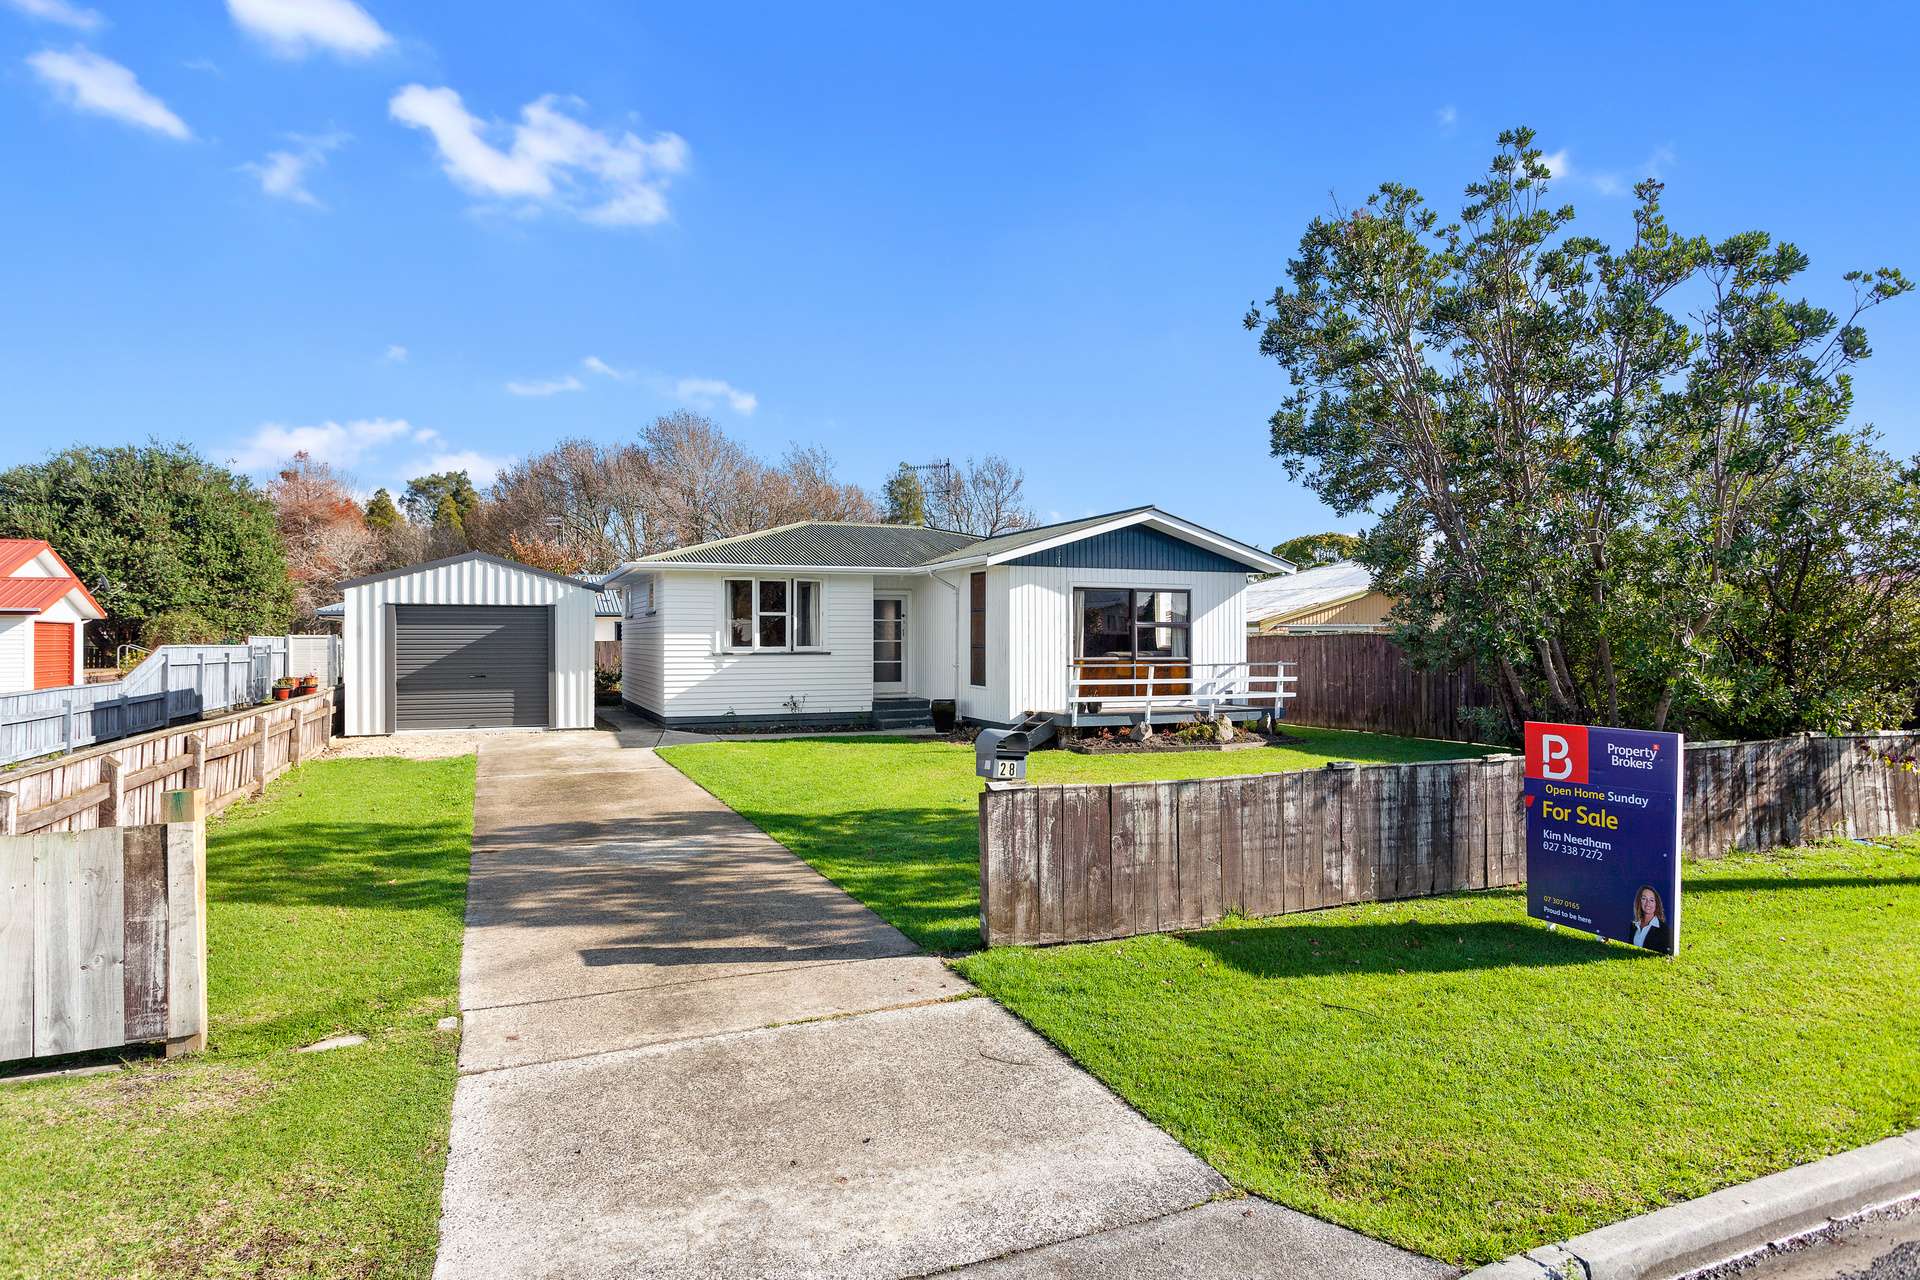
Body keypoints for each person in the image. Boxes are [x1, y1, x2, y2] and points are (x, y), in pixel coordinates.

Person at [1629, 884, 1670, 952]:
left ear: (1656, 904)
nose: (1648, 903)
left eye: (1651, 900)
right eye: (1644, 899)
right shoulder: (1633, 925)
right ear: (1639, 901)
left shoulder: (1664, 930)